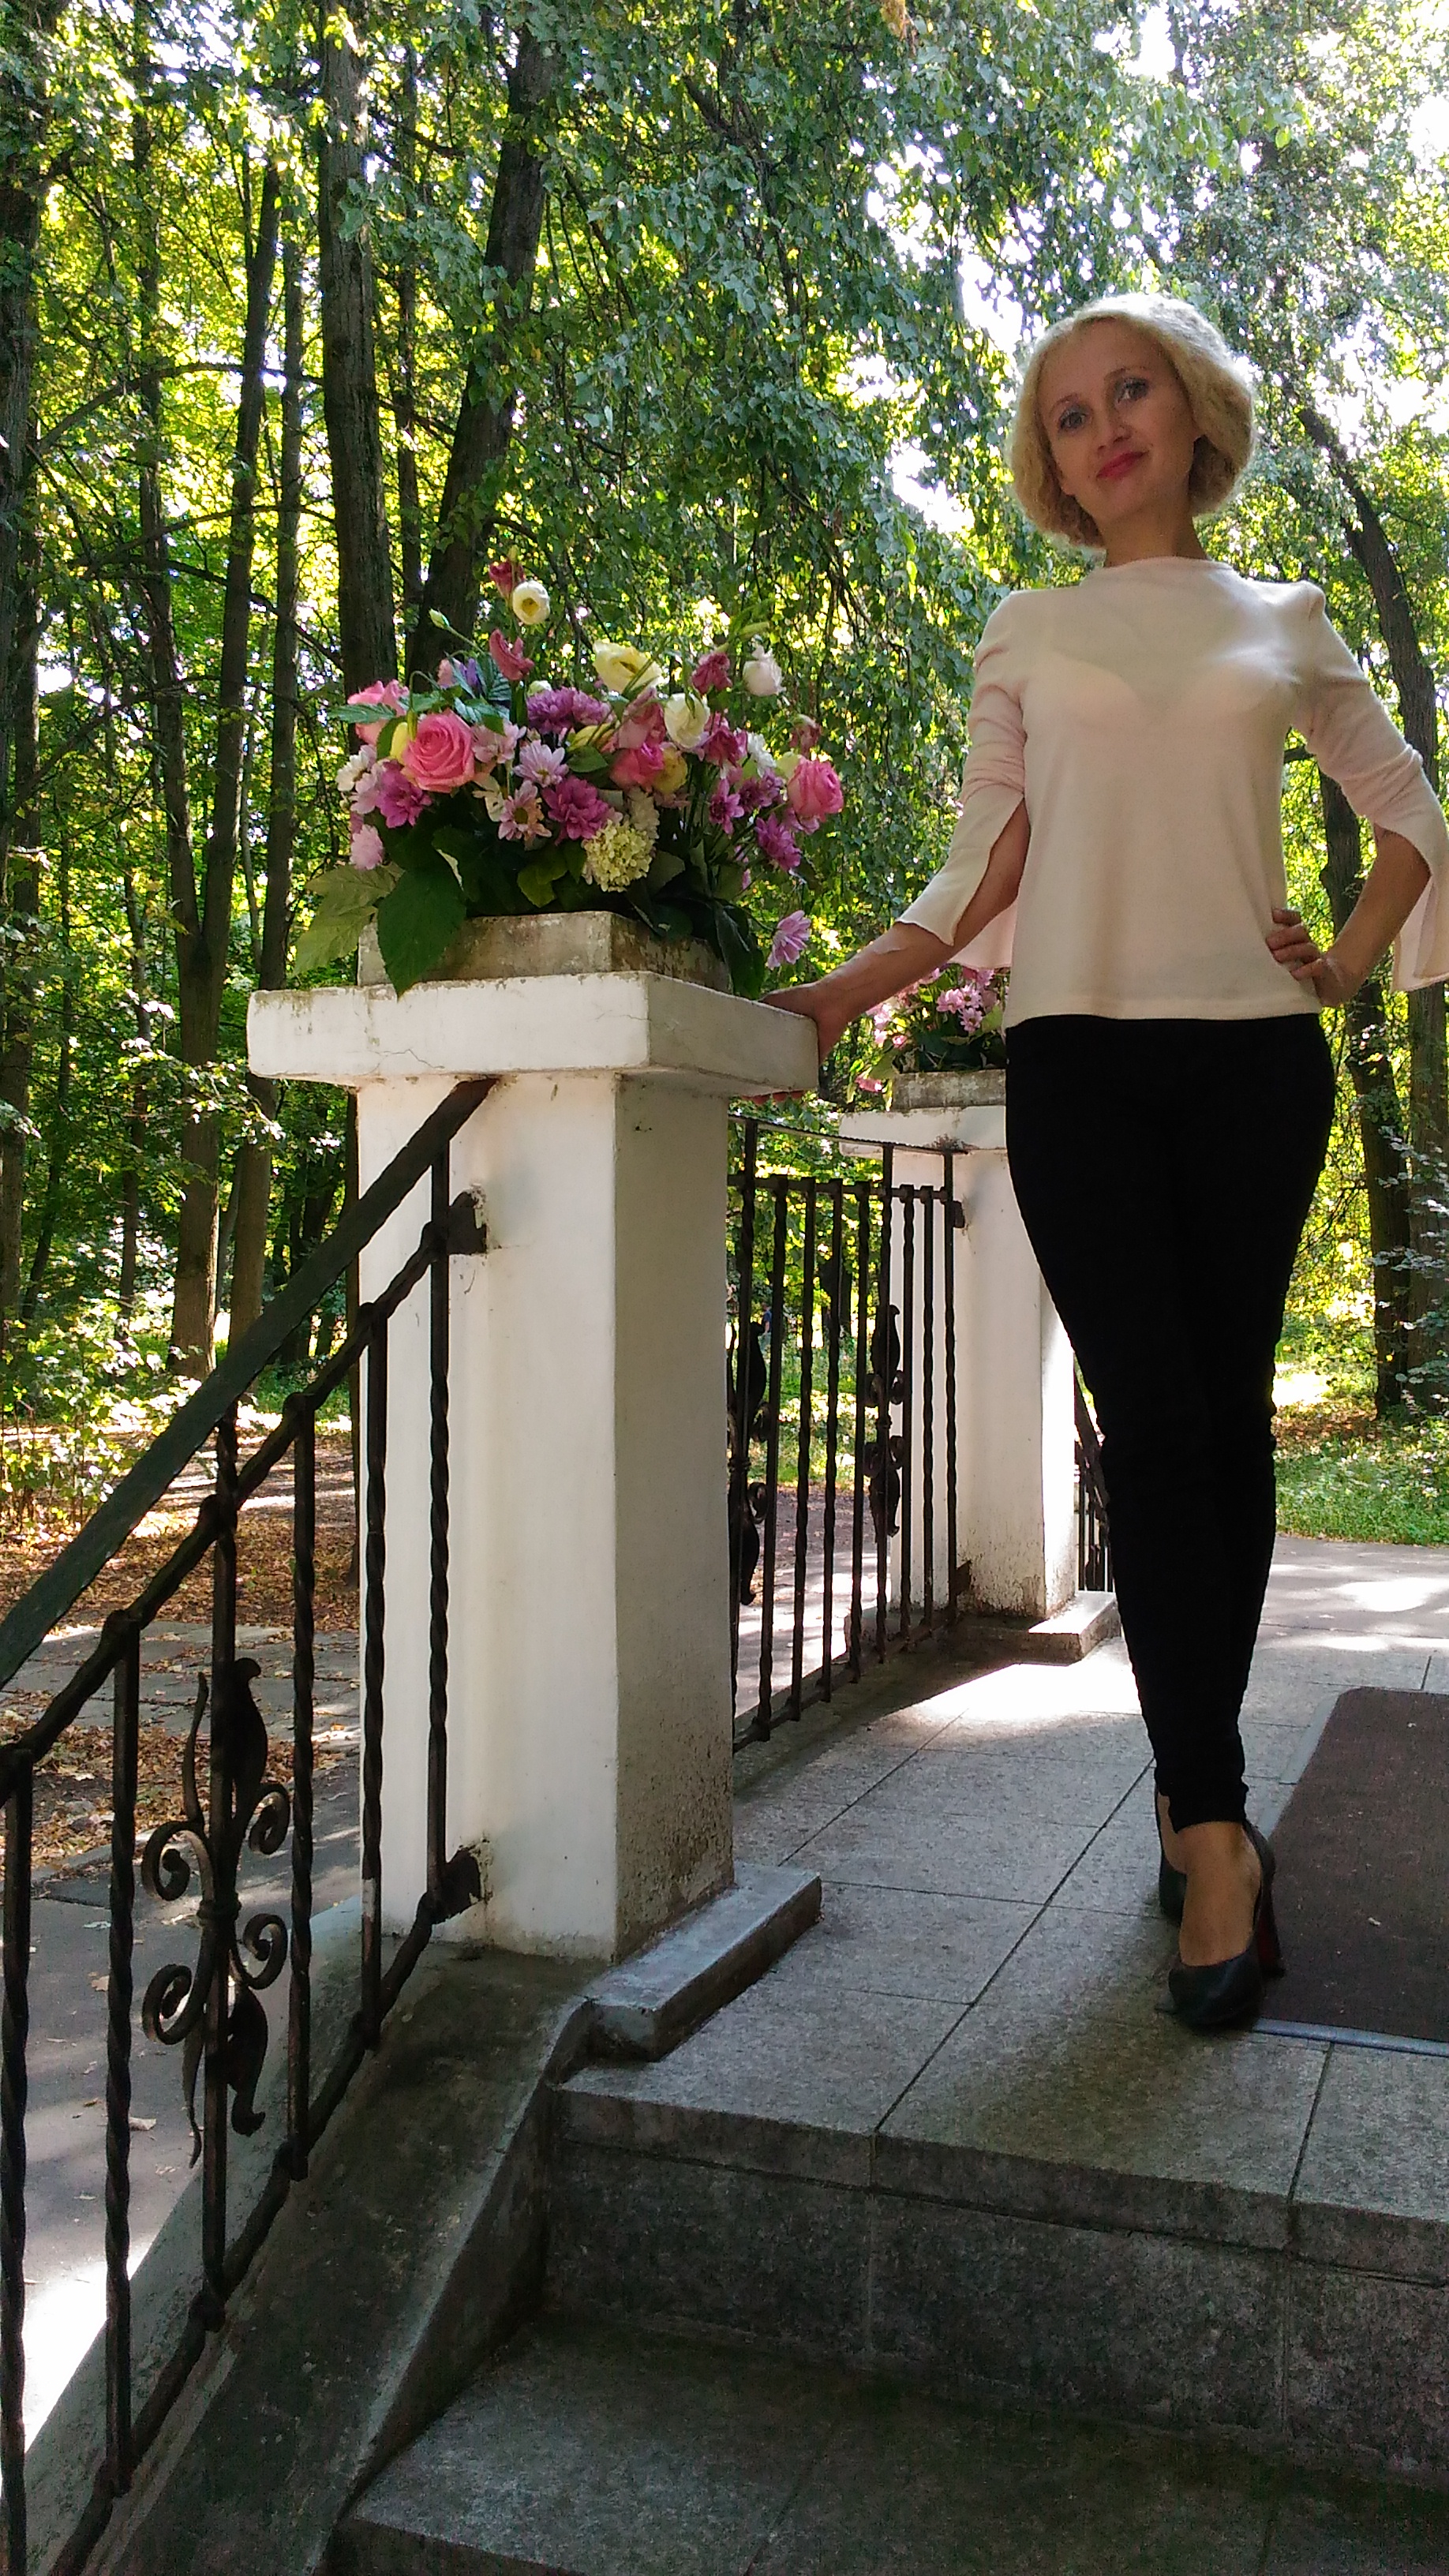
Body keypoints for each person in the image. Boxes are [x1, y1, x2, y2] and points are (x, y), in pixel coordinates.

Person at [767, 293, 1449, 2030]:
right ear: (1054, 471)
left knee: (1224, 1428)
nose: (1105, 424)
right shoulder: (1026, 630)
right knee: (1150, 1426)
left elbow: (1412, 819)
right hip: (1074, 1066)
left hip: (1256, 1070)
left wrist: (1345, 964)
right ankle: (1214, 1829)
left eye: (1130, 388)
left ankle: (1194, 1801)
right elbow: (983, 863)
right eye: (1068, 414)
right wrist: (841, 994)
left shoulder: (1284, 619)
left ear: (1193, 409)